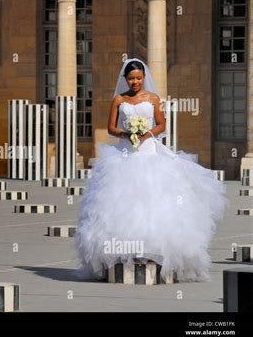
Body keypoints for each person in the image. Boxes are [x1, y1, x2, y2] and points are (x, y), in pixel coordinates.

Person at [75, 58, 229, 282]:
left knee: (153, 200)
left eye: (138, 78)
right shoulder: (119, 99)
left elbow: (161, 124)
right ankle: (121, 253)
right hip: (125, 152)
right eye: (131, 78)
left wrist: (147, 133)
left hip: (148, 150)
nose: (135, 81)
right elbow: (111, 127)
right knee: (121, 201)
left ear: (143, 78)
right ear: (125, 79)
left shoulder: (153, 98)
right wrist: (126, 133)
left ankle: (155, 252)